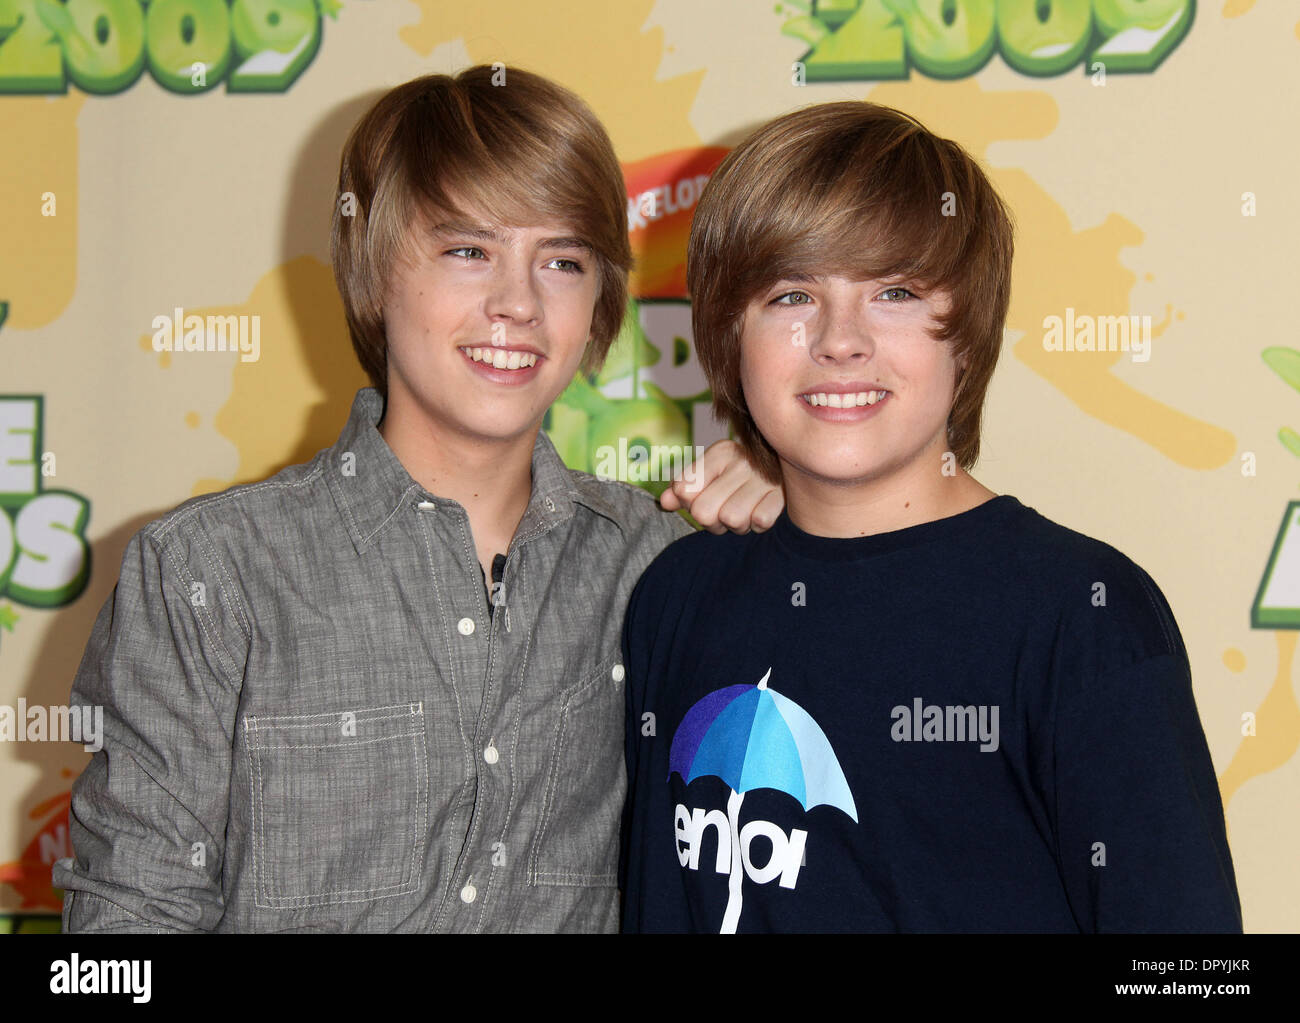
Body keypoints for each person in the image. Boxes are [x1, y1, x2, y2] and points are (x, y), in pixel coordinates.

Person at [52, 66, 781, 933]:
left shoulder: (657, 568)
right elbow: (121, 931)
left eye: (562, 260)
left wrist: (806, 508)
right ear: (373, 273)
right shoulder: (211, 573)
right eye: (468, 250)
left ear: (597, 304)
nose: (516, 303)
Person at [619, 100, 1242, 933]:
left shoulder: (1082, 616)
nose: (841, 340)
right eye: (792, 294)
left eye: (897, 292)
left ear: (968, 337)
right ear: (729, 332)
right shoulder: (678, 596)